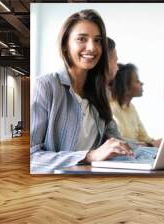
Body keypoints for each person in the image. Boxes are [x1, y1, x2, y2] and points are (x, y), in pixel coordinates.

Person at [30, 9, 133, 173]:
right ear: (65, 45)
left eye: (97, 40)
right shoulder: (45, 86)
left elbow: (115, 141)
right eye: (82, 39)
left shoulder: (100, 92)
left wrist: (149, 151)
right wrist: (90, 156)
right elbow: (31, 156)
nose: (92, 47)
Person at [110, 63, 162, 147]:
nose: (142, 83)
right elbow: (120, 142)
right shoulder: (111, 108)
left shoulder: (131, 107)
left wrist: (160, 142)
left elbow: (143, 137)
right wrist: (151, 144)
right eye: (137, 81)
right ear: (125, 86)